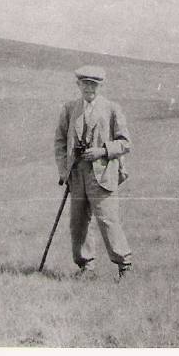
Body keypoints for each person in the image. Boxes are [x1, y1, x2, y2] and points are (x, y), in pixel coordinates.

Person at [53, 65, 134, 280]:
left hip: (103, 176)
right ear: (78, 85)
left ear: (100, 86)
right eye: (85, 83)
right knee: (78, 223)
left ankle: (124, 265)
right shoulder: (70, 108)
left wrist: (102, 151)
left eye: (94, 84)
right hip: (77, 176)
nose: (89, 88)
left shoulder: (112, 108)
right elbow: (59, 143)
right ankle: (86, 267)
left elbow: (125, 143)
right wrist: (64, 171)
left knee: (108, 220)